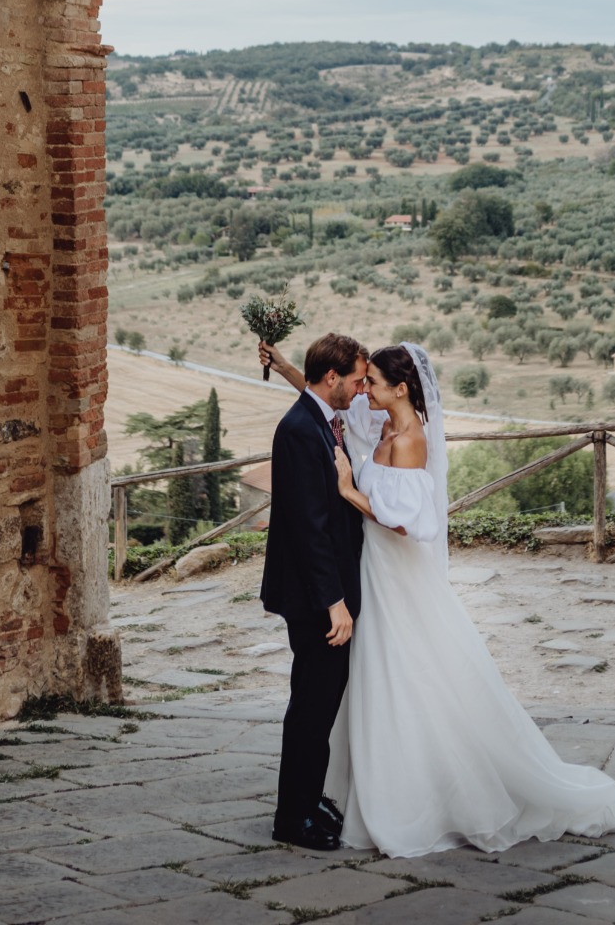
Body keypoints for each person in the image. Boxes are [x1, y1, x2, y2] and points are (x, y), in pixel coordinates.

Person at [259, 336, 615, 858]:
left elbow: (413, 523)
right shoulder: (371, 419)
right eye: (360, 381)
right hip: (366, 577)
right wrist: (284, 368)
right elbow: (324, 407)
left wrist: (350, 492)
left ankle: (393, 797)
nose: (364, 389)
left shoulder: (411, 439)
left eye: (373, 382)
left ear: (400, 388)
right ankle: (322, 800)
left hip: (392, 576)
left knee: (397, 682)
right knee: (342, 694)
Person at [259, 331, 368, 852]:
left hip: (319, 592)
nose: (360, 388)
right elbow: (310, 527)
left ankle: (307, 799)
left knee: (320, 704)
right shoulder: (302, 430)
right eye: (356, 380)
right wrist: (334, 603)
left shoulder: (319, 418)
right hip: (313, 598)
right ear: (333, 379)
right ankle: (292, 818)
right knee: (311, 707)